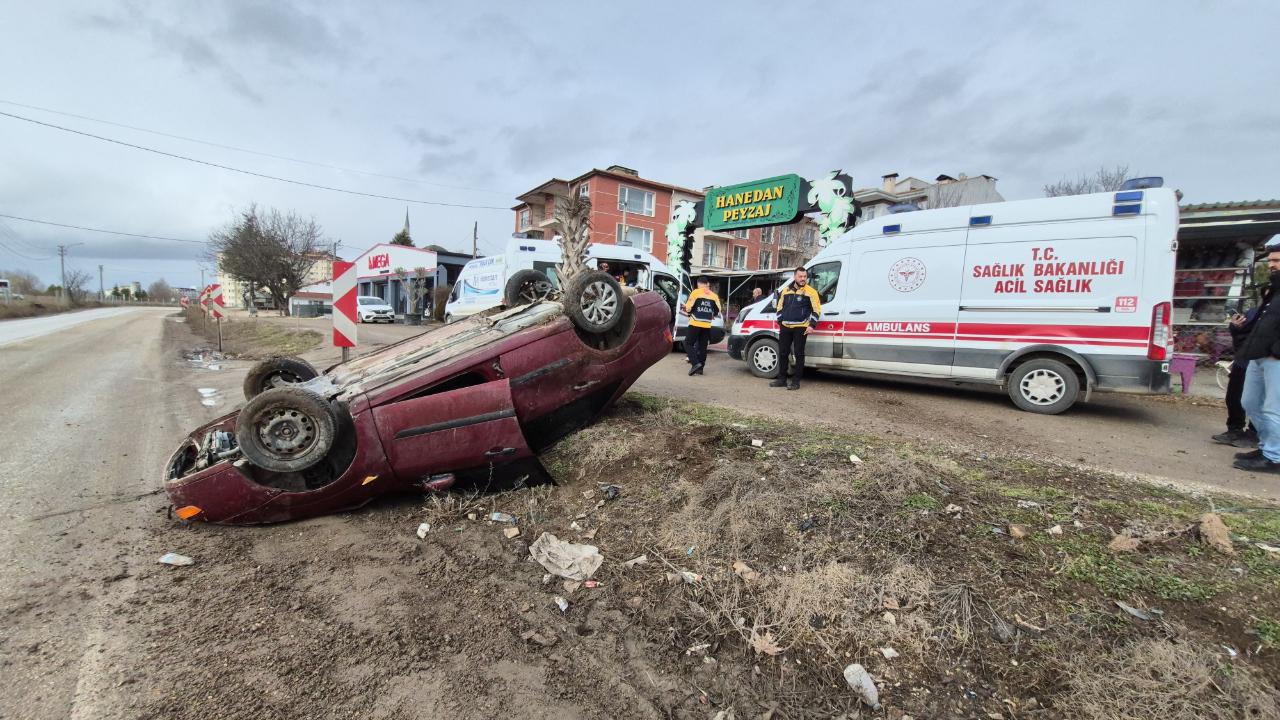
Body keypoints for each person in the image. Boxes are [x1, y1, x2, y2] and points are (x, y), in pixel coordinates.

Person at [1233, 248, 1280, 473]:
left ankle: (1274, 457)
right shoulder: (1273, 290)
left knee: (1274, 409)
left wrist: (1275, 351)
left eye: (1277, 261)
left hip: (1275, 358)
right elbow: (1263, 322)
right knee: (1250, 403)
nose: (1272, 265)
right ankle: (1266, 447)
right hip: (1257, 355)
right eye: (1271, 260)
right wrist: (1241, 328)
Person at [1214, 301, 1265, 447]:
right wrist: (1235, 327)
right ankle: (1234, 429)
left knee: (1257, 401)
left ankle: (1254, 433)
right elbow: (1240, 336)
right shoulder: (1254, 312)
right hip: (1244, 360)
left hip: (1263, 362)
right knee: (1234, 397)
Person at [770, 266, 821, 391]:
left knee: (799, 354)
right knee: (783, 353)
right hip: (785, 327)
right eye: (800, 276)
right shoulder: (786, 290)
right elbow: (779, 306)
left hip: (801, 328)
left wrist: (811, 325)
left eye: (805, 276)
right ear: (795, 277)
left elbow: (817, 310)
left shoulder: (811, 292)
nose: (803, 279)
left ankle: (796, 382)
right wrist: (780, 321)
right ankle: (781, 379)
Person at [682, 276, 721, 376]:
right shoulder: (714, 295)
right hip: (706, 324)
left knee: (688, 343)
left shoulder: (696, 292)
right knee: (703, 346)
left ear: (699, 283)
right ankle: (700, 369)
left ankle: (695, 364)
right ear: (706, 283)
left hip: (695, 322)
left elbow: (689, 307)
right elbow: (717, 311)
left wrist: (687, 309)